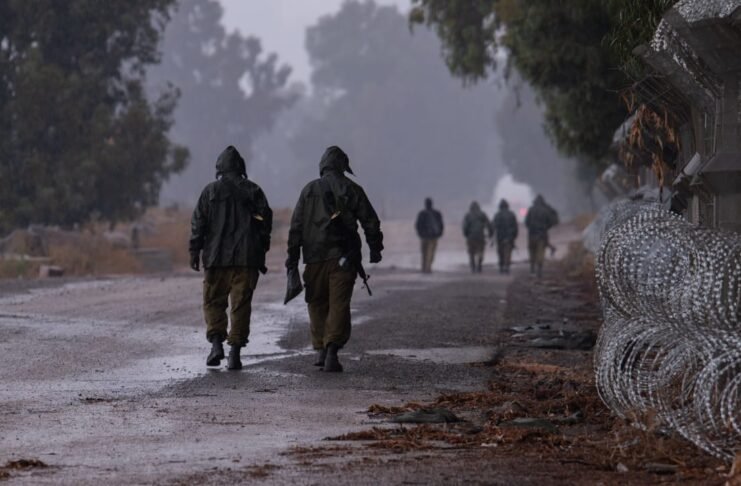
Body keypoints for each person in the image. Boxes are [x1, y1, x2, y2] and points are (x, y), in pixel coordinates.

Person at [286, 146, 383, 373]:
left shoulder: (308, 190)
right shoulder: (352, 188)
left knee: (317, 303)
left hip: (314, 259)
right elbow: (371, 221)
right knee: (339, 304)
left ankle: (321, 348)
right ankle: (331, 351)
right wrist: (375, 248)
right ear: (343, 166)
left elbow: (296, 228)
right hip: (344, 258)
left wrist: (292, 260)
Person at [189, 145, 273, 370]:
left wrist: (194, 251)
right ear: (241, 167)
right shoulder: (254, 191)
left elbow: (198, 223)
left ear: (219, 169)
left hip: (216, 259)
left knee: (213, 301)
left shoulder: (209, 192)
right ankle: (234, 354)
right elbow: (266, 222)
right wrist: (261, 248)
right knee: (241, 305)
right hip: (246, 260)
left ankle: (217, 344)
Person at [524, 195, 559, 278]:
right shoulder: (545, 211)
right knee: (540, 252)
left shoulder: (530, 210)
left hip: (532, 234)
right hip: (542, 235)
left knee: (532, 251)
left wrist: (531, 228)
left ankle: (532, 269)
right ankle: (539, 269)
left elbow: (526, 222)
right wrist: (546, 228)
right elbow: (552, 222)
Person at [415, 198, 444, 273]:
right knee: (430, 253)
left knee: (424, 253)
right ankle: (428, 267)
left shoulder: (422, 213)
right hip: (433, 237)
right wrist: (439, 234)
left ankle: (424, 267)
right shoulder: (437, 213)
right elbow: (441, 225)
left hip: (424, 237)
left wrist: (420, 234)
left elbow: (417, 225)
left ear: (425, 204)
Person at [462, 201, 491, 273]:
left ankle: (473, 267)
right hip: (481, 236)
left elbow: (465, 227)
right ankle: (479, 264)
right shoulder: (482, 214)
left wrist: (466, 234)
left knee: (471, 253)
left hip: (471, 237)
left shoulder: (468, 215)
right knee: (480, 251)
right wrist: (490, 234)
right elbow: (489, 225)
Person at [491, 199, 518, 274]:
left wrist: (491, 235)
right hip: (509, 237)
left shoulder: (497, 214)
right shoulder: (511, 214)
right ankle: (507, 266)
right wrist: (514, 236)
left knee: (500, 252)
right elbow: (515, 227)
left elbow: (493, 226)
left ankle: (501, 266)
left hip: (500, 236)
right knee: (508, 252)